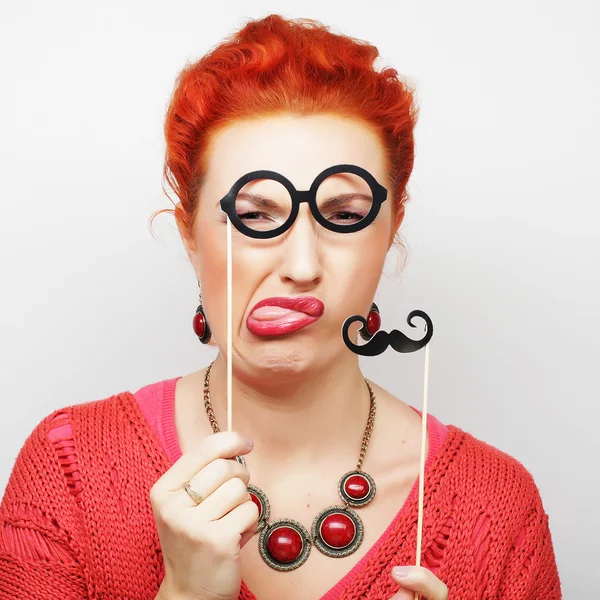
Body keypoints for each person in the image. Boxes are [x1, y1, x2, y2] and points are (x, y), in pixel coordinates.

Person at [0, 14, 561, 600]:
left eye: (344, 215)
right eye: (256, 215)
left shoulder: (496, 505)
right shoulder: (69, 466)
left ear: (392, 227)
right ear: (189, 234)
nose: (301, 264)